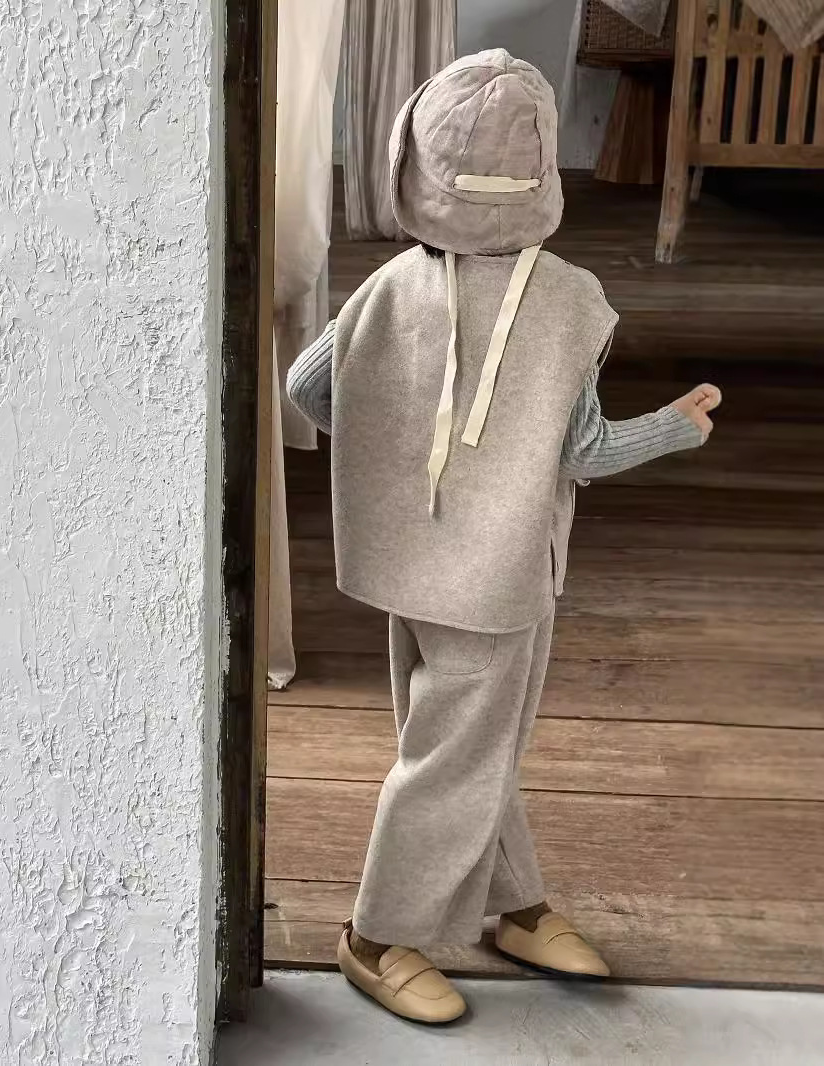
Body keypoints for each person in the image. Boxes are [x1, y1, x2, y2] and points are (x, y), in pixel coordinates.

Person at [286, 49, 721, 1024]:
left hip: (406, 562)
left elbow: (308, 390)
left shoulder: (389, 284)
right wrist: (675, 427)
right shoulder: (569, 303)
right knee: (453, 756)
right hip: (499, 579)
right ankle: (374, 935)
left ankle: (514, 905)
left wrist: (400, 461)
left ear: (414, 163)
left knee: (461, 742)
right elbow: (587, 450)